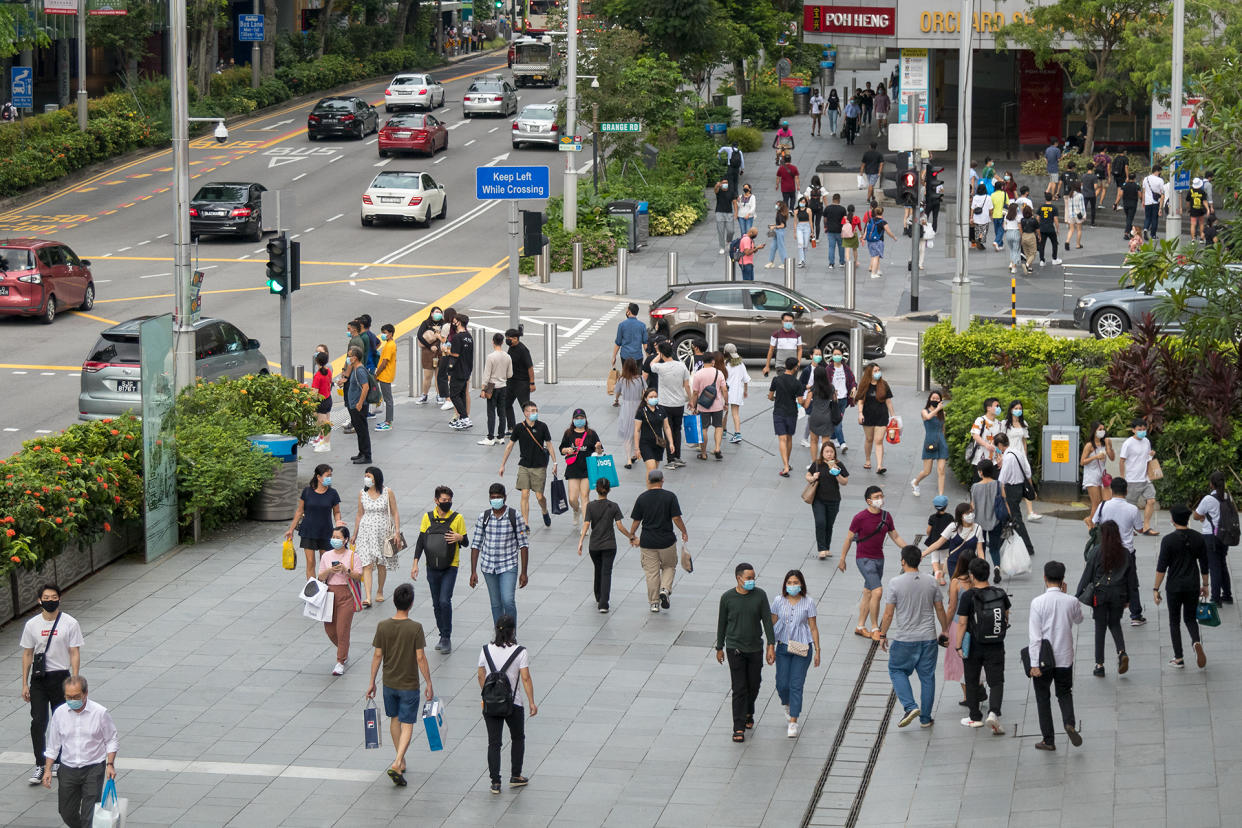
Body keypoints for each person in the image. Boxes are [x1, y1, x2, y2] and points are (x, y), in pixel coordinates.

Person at [366, 582, 433, 786]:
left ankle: (400, 760)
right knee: (408, 723)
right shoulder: (415, 628)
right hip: (409, 684)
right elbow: (420, 657)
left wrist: (372, 682)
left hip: (389, 683)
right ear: (410, 604)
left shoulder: (383, 626)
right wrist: (429, 682)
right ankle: (397, 762)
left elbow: (378, 655)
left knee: (394, 719)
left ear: (394, 602)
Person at [880, 545, 949, 729]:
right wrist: (945, 630)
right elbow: (940, 608)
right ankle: (925, 719)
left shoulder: (895, 583)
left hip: (905, 639)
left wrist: (882, 634)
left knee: (896, 670)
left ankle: (910, 706)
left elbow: (888, 614)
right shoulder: (931, 581)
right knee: (927, 677)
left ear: (903, 561)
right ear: (920, 560)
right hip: (928, 638)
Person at [21, 584, 82, 786]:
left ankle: (59, 760)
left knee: (61, 720)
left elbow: (74, 652)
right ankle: (40, 764)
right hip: (39, 679)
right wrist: (24, 683)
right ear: (39, 600)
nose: (50, 600)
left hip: (61, 677)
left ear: (59, 599)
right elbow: (27, 654)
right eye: (46, 597)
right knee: (38, 721)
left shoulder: (70, 623)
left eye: (54, 597)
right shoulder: (32, 625)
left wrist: (75, 678)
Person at [40, 675, 117, 828]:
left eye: (76, 696)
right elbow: (53, 745)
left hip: (93, 768)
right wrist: (47, 770)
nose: (72, 700)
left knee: (90, 815)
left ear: (85, 693)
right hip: (68, 769)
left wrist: (110, 764)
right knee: (66, 811)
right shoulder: (60, 714)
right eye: (69, 697)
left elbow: (111, 740)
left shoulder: (100, 713)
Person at [838, 486, 911, 639]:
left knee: (868, 592)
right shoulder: (860, 517)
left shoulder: (886, 516)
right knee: (877, 591)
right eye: (877, 497)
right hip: (864, 559)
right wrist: (842, 558)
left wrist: (909, 549)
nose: (880, 499)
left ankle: (860, 626)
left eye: (881, 496)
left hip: (879, 559)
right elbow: (849, 538)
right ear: (868, 501)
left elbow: (895, 536)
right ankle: (874, 627)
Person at [716, 562, 777, 742]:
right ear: (739, 578)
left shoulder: (760, 596)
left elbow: (767, 620)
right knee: (739, 688)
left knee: (754, 684)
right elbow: (722, 624)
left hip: (755, 648)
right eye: (749, 578)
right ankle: (738, 726)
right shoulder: (727, 598)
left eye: (753, 578)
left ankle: (749, 711)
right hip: (735, 648)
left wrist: (770, 645)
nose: (752, 581)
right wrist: (719, 647)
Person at [1028, 561, 1084, 751]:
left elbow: (1035, 637)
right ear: (1062, 580)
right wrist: (1068, 594)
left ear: (1045, 578)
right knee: (1064, 693)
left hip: (1043, 659)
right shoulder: (1071, 601)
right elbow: (1079, 619)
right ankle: (1069, 723)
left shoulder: (1037, 603)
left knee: (1043, 698)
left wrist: (1034, 663)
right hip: (1065, 657)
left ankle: (1048, 739)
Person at [477, 615, 537, 794]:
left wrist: (486, 695)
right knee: (518, 738)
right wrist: (532, 702)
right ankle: (515, 775)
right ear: (513, 631)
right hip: (513, 703)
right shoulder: (521, 652)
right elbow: (525, 678)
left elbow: (481, 674)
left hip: (491, 704)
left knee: (494, 743)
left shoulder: (485, 650)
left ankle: (495, 782)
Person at [956, 556, 1010, 734]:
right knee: (996, 680)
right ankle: (994, 712)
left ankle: (975, 716)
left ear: (971, 575)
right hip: (995, 643)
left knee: (972, 679)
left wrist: (958, 645)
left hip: (974, 644)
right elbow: (1006, 616)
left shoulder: (968, 596)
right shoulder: (1000, 593)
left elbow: (963, 623)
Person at [411, 485, 468, 654]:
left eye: (449, 501)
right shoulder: (427, 517)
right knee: (436, 603)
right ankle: (442, 634)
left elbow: (466, 542)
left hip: (451, 565)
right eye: (444, 500)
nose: (447, 503)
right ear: (436, 500)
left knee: (444, 600)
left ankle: (447, 636)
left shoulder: (458, 518)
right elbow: (421, 541)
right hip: (432, 566)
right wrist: (415, 564)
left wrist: (459, 537)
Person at [1154, 505, 1210, 669]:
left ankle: (1178, 658)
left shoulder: (1168, 540)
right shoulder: (1199, 538)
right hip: (1192, 584)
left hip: (1174, 586)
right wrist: (1205, 585)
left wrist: (1155, 589)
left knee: (1174, 621)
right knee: (1191, 618)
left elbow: (1161, 568)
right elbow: (1204, 565)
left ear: (1173, 519)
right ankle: (1196, 641)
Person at [1086, 477, 1147, 625]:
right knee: (1132, 582)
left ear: (1111, 490)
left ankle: (1106, 610)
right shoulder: (1133, 509)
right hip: (1126, 551)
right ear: (1126, 491)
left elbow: (1093, 522)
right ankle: (1135, 615)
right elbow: (1139, 528)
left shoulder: (1103, 506)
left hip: (1105, 549)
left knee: (1106, 579)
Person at [470, 483, 532, 626]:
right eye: (493, 497)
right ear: (489, 499)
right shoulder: (484, 517)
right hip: (488, 566)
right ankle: (499, 633)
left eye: (498, 497)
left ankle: (511, 635)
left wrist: (524, 572)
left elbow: (523, 545)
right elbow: (476, 544)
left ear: (505, 497)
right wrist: (473, 571)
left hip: (508, 565)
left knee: (508, 600)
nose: (496, 500)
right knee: (496, 603)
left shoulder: (514, 516)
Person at [629, 469, 689, 613]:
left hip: (648, 541)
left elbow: (637, 520)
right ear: (662, 480)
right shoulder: (670, 497)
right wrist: (684, 531)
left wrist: (632, 535)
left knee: (651, 572)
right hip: (666, 540)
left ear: (649, 481)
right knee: (669, 566)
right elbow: (676, 518)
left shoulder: (642, 498)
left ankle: (654, 603)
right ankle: (665, 589)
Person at [1077, 520, 1131, 677]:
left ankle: (1099, 665)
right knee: (1114, 623)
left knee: (1100, 627)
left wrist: (1077, 595)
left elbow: (1087, 575)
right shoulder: (1125, 553)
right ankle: (1121, 652)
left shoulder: (1096, 552)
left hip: (1099, 595)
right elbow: (1131, 579)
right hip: (1118, 595)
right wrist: (1129, 598)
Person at [769, 570, 820, 737]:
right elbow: (772, 623)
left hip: (801, 647)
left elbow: (813, 627)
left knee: (796, 684)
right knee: (782, 684)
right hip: (783, 646)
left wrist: (818, 650)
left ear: (801, 584)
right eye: (789, 582)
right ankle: (787, 703)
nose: (792, 585)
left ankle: (793, 721)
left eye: (795, 582)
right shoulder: (778, 601)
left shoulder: (808, 602)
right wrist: (769, 645)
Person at [577, 478, 633, 613]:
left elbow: (586, 524)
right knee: (606, 572)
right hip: (609, 545)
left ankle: (598, 594)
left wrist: (581, 541)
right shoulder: (613, 506)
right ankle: (603, 603)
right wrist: (631, 536)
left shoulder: (590, 506)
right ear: (609, 490)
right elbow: (619, 526)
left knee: (598, 568)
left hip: (594, 545)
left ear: (596, 489)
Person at [499, 402, 557, 528]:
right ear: (525, 413)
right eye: (531, 410)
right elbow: (510, 446)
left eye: (536, 410)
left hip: (539, 466)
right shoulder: (519, 428)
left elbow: (549, 445)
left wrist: (555, 462)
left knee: (539, 496)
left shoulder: (542, 426)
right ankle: (525, 523)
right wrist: (503, 464)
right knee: (524, 494)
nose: (534, 413)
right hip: (524, 465)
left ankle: (544, 511)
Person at [352, 466, 400, 608]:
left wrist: (397, 531)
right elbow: (359, 514)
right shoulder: (362, 493)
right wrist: (355, 533)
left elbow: (395, 512)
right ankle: (367, 596)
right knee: (366, 563)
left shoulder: (387, 492)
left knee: (381, 563)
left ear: (376, 478)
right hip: (366, 531)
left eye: (369, 476)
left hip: (382, 531)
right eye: (365, 475)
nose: (367, 478)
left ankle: (379, 590)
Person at [318, 525, 362, 675]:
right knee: (330, 629)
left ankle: (340, 661)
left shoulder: (352, 556)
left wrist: (346, 570)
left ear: (346, 540)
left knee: (342, 629)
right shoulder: (326, 556)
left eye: (338, 537)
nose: (335, 540)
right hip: (330, 593)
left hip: (346, 594)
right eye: (333, 537)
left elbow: (358, 576)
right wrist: (330, 570)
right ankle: (344, 649)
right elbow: (320, 577)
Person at [286, 464, 342, 579]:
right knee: (310, 562)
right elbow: (299, 511)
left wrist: (338, 522)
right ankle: (312, 592)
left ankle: (325, 587)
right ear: (318, 477)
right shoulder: (307, 492)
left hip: (326, 531)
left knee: (325, 562)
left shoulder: (333, 493)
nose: (329, 478)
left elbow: (336, 512)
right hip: (308, 531)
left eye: (331, 475)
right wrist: (291, 529)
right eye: (327, 475)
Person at [1193, 470, 1235, 606]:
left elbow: (1195, 515)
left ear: (1211, 484)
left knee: (1214, 567)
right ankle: (1227, 595)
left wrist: (1204, 517)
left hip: (1211, 536)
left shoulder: (1208, 499)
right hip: (1225, 536)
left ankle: (1216, 598)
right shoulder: (1227, 497)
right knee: (1222, 564)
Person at [995, 434, 1036, 561]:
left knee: (1016, 518)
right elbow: (1028, 471)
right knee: (1010, 516)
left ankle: (1028, 547)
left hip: (1011, 489)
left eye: (997, 446)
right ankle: (999, 543)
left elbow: (1002, 478)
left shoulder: (1007, 457)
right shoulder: (1018, 452)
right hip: (1020, 488)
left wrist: (1002, 494)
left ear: (1001, 445)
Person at [650, 341, 692, 469]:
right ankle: (678, 457)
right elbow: (686, 385)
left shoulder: (660, 368)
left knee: (667, 431)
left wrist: (658, 354)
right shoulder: (682, 366)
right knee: (677, 431)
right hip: (679, 403)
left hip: (665, 404)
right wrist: (691, 400)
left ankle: (670, 459)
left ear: (662, 353)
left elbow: (651, 364)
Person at [559, 408, 603, 526]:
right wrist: (566, 450)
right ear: (573, 420)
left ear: (585, 419)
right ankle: (576, 510)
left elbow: (599, 452)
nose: (579, 420)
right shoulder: (568, 433)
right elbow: (561, 449)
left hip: (587, 468)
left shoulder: (591, 434)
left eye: (581, 418)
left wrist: (598, 447)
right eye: (577, 419)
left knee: (585, 496)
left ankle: (586, 524)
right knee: (572, 498)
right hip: (573, 468)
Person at [923, 502, 984, 586]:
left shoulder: (978, 528)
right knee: (956, 586)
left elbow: (980, 549)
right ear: (961, 515)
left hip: (971, 565)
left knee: (970, 587)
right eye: (967, 513)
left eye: (971, 512)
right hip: (954, 564)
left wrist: (983, 564)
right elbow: (938, 543)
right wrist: (922, 554)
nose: (970, 515)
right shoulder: (953, 527)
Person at [806, 442, 849, 560]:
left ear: (835, 453)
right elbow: (807, 476)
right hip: (818, 499)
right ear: (822, 453)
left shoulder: (838, 464)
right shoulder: (817, 464)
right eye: (827, 452)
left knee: (829, 524)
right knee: (820, 522)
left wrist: (837, 474)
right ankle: (821, 549)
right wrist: (813, 477)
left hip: (834, 500)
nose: (829, 454)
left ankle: (827, 547)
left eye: (831, 452)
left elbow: (845, 482)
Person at [1003, 400, 1042, 521]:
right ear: (1011, 409)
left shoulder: (1023, 423)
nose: (1018, 410)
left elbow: (1024, 441)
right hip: (1009, 456)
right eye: (1016, 408)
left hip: (1021, 456)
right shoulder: (1004, 424)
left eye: (1020, 408)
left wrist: (1024, 456)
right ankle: (1007, 510)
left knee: (1027, 480)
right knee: (1007, 481)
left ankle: (1030, 511)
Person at [1119, 417, 1159, 536]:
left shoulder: (1146, 441)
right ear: (1133, 430)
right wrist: (1122, 477)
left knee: (1151, 500)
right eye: (1139, 429)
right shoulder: (1128, 443)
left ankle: (1145, 527)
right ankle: (1128, 527)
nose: (1142, 431)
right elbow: (1122, 461)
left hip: (1145, 478)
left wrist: (1151, 456)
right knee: (1130, 506)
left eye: (1144, 429)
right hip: (1132, 479)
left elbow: (1146, 459)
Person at [766, 356, 802, 477]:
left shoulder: (776, 379)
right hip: (792, 413)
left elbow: (770, 396)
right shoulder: (797, 383)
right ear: (795, 368)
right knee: (789, 438)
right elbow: (800, 401)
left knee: (782, 439)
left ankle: (785, 465)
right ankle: (787, 463)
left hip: (779, 412)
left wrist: (774, 399)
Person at [855, 363, 894, 474]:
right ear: (869, 373)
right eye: (875, 371)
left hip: (882, 416)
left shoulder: (884, 385)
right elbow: (861, 401)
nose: (878, 373)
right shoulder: (864, 385)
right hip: (868, 416)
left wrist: (893, 417)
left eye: (878, 370)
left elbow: (889, 402)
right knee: (869, 439)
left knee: (879, 440)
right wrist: (860, 413)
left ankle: (879, 466)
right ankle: (868, 460)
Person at [690, 351, 729, 460]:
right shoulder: (719, 373)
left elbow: (695, 392)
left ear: (703, 361)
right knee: (718, 426)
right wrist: (726, 403)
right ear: (713, 361)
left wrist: (693, 405)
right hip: (717, 405)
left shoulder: (698, 374)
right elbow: (724, 390)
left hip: (703, 406)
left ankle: (703, 453)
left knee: (704, 428)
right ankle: (717, 448)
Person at [478, 333, 513, 447]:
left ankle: (490, 437)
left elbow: (486, 375)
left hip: (492, 386)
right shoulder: (507, 356)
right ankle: (500, 436)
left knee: (491, 412)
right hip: (503, 386)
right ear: (502, 342)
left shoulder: (491, 357)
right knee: (502, 412)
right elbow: (510, 374)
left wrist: (483, 389)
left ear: (493, 341)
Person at [911, 390, 948, 497]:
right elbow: (928, 417)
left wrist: (944, 441)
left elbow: (943, 428)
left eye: (937, 399)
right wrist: (937, 409)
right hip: (930, 441)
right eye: (933, 398)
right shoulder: (924, 411)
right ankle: (916, 482)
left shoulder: (942, 413)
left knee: (941, 470)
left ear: (940, 400)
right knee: (927, 471)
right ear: (929, 399)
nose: (935, 400)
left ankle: (941, 495)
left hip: (941, 442)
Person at [635, 386, 676, 473]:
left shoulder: (661, 410)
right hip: (645, 443)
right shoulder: (641, 411)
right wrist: (637, 448)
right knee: (651, 468)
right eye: (651, 397)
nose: (653, 398)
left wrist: (671, 443)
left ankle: (652, 486)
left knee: (654, 471)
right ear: (646, 399)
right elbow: (637, 430)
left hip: (658, 443)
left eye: (655, 397)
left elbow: (667, 427)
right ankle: (650, 486)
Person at [445, 312, 474, 430]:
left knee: (454, 395)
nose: (453, 323)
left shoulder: (457, 337)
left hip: (458, 370)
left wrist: (447, 352)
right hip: (467, 369)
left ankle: (465, 418)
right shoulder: (469, 336)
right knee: (462, 394)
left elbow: (455, 354)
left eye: (455, 321)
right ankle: (463, 419)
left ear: (459, 322)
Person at [1081, 420, 1115, 519]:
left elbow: (1112, 458)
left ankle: (1091, 521)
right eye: (1100, 429)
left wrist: (1108, 446)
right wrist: (1095, 457)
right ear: (1094, 431)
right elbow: (1082, 462)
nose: (1102, 431)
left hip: (1103, 476)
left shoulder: (1105, 443)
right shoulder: (1089, 445)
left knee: (1106, 502)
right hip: (1091, 476)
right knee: (1096, 503)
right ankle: (1091, 524)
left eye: (1103, 429)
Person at [344, 347, 373, 462]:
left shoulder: (360, 370)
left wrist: (360, 403)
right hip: (355, 405)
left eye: (349, 356)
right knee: (359, 430)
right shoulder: (356, 369)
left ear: (355, 358)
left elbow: (366, 387)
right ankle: (362, 452)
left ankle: (366, 456)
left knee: (362, 431)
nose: (348, 358)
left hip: (359, 406)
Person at [614, 358, 644, 466]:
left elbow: (616, 392)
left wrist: (616, 400)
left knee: (627, 434)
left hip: (626, 408)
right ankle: (635, 454)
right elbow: (646, 391)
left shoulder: (621, 380)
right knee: (637, 431)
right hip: (638, 407)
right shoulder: (640, 379)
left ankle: (628, 459)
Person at [504, 328, 536, 431]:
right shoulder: (511, 347)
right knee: (506, 404)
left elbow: (530, 367)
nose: (507, 340)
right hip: (511, 382)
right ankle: (511, 428)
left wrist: (532, 383)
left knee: (526, 407)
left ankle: (533, 428)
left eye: (509, 338)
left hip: (522, 383)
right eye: (506, 338)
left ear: (515, 338)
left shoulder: (523, 350)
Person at [967, 397, 1004, 481]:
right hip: (980, 460)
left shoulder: (999, 423)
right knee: (979, 484)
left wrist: (1000, 456)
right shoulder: (980, 420)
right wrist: (986, 445)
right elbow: (975, 435)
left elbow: (999, 443)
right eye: (996, 406)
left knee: (993, 486)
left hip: (993, 461)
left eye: (999, 406)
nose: (999, 408)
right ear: (988, 408)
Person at [414, 307, 445, 405]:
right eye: (436, 312)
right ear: (431, 314)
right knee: (427, 375)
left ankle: (439, 395)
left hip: (440, 351)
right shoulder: (426, 323)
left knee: (438, 375)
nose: (438, 314)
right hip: (428, 352)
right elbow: (419, 336)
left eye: (440, 312)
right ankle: (424, 395)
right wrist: (430, 346)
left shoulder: (443, 324)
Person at [723, 343, 750, 444]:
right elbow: (746, 379)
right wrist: (745, 391)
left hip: (726, 390)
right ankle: (737, 433)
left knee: (725, 412)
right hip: (737, 391)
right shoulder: (741, 364)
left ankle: (724, 431)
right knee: (735, 413)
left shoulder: (724, 364)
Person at [863, 205, 898, 278]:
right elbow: (888, 232)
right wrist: (894, 237)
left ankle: (877, 270)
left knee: (875, 256)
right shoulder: (883, 222)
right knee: (876, 257)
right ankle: (873, 273)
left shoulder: (870, 220)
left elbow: (866, 230)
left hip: (870, 241)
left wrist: (864, 238)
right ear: (882, 213)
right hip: (878, 241)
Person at [374, 323, 397, 431]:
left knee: (388, 400)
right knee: (388, 399)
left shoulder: (390, 345)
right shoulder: (390, 344)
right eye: (382, 332)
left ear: (390, 333)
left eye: (385, 333)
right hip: (386, 375)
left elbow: (384, 362)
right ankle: (387, 421)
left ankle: (388, 422)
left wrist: (376, 374)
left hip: (385, 375)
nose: (383, 335)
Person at [311, 350, 333, 452]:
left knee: (323, 425)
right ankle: (325, 442)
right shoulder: (328, 371)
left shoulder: (318, 376)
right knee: (327, 423)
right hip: (328, 399)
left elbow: (314, 392)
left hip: (322, 402)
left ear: (317, 361)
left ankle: (326, 444)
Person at [712, 177, 737, 255]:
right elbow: (715, 190)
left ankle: (728, 241)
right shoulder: (719, 191)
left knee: (731, 231)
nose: (725, 184)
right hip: (719, 213)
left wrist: (736, 213)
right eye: (723, 183)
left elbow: (734, 202)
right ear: (721, 183)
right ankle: (722, 247)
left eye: (726, 183)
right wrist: (717, 185)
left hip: (729, 213)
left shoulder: (731, 191)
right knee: (721, 231)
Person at [1037, 190, 1061, 266]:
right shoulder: (1054, 208)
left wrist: (1037, 228)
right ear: (1051, 198)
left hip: (1042, 228)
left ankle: (1042, 260)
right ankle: (1054, 259)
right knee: (1054, 243)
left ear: (1045, 199)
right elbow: (1056, 220)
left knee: (1042, 244)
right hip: (1050, 228)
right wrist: (1057, 228)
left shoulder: (1041, 207)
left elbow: (1037, 218)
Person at [1141, 163, 1166, 240]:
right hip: (1156, 202)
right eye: (1159, 172)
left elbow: (1144, 191)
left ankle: (1145, 229)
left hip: (1148, 202)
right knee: (1154, 218)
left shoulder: (1146, 179)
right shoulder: (1160, 180)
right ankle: (1153, 235)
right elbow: (1162, 194)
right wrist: (1160, 208)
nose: (1160, 173)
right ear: (1157, 171)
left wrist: (1143, 201)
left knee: (1147, 217)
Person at [1017, 205, 1039, 276]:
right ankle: (1026, 265)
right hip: (1031, 236)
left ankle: (1030, 268)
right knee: (1033, 253)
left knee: (1027, 253)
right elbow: (1037, 230)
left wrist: (1021, 236)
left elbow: (1020, 229)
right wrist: (1039, 236)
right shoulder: (1034, 220)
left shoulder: (1022, 220)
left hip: (1024, 236)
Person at [793, 194, 814, 267]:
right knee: (800, 243)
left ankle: (803, 260)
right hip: (799, 227)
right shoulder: (796, 211)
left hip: (807, 227)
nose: (802, 203)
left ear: (806, 203)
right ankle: (801, 260)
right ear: (799, 202)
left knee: (805, 245)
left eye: (804, 202)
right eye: (801, 202)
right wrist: (794, 232)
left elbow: (811, 221)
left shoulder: (808, 210)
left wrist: (812, 231)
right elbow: (795, 222)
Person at [1001, 202, 1022, 274]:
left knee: (1011, 249)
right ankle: (1014, 266)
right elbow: (1019, 227)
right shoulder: (1018, 216)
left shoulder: (1006, 215)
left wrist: (1006, 230)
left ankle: (1011, 262)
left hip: (1008, 233)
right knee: (1016, 250)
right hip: (1016, 232)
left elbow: (1004, 225)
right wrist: (1021, 234)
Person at [1120, 172, 1141, 240]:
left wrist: (1116, 203)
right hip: (1133, 204)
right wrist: (1142, 200)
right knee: (1129, 219)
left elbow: (1120, 194)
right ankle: (1126, 233)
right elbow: (1140, 195)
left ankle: (1132, 231)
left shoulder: (1124, 185)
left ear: (1128, 178)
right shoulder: (1137, 185)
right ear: (1134, 178)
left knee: (1128, 218)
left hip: (1125, 204)